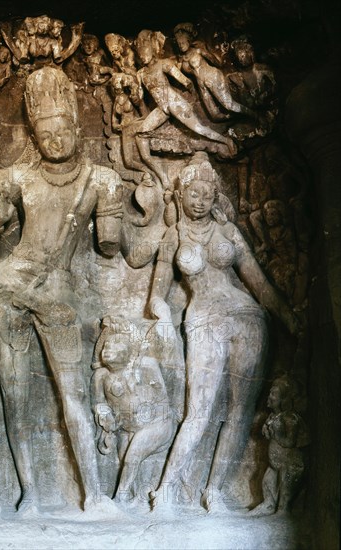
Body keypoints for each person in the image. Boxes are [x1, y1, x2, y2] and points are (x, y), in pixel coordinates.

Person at [0, 66, 123, 516]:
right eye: (45, 134)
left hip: (59, 299)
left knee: (73, 394)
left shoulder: (100, 180)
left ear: (77, 126)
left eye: (62, 130)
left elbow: (112, 246)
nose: (55, 140)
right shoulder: (16, 178)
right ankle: (30, 494)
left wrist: (135, 214)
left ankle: (94, 494)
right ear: (34, 135)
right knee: (17, 397)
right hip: (11, 290)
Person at [148, 151, 299, 513]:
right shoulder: (173, 235)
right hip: (202, 318)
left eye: (207, 195)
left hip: (247, 319)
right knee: (197, 412)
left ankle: (213, 492)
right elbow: (156, 294)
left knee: (239, 412)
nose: (200, 202)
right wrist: (164, 317)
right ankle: (165, 490)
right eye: (193, 194)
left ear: (216, 197)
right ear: (181, 195)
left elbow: (257, 283)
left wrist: (289, 318)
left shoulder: (228, 231)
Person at [134, 30, 237, 189]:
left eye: (145, 51)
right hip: (161, 108)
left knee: (199, 129)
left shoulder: (164, 64)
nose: (143, 56)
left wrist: (192, 93)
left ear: (153, 50)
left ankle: (226, 140)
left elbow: (184, 80)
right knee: (141, 134)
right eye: (140, 53)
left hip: (173, 102)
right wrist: (134, 94)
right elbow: (139, 96)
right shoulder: (140, 73)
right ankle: (161, 176)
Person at [92, 316, 175, 503]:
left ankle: (120, 498)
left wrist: (137, 381)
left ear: (130, 350)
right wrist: (104, 414)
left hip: (156, 423)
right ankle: (136, 496)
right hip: (126, 427)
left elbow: (162, 393)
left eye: (115, 347)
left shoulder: (145, 365)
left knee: (132, 455)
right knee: (124, 458)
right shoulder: (101, 375)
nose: (107, 351)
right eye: (105, 348)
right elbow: (98, 401)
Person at [249, 376, 309, 515]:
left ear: (284, 399)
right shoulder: (272, 417)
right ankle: (268, 504)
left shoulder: (290, 418)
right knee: (267, 482)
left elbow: (290, 442)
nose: (269, 397)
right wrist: (267, 432)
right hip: (275, 464)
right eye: (270, 393)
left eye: (273, 394)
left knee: (285, 488)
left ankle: (282, 510)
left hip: (289, 464)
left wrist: (275, 433)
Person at [174, 23, 257, 121]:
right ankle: (239, 118)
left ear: (188, 41)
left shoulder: (198, 51)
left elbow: (217, 62)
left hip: (212, 76)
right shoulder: (181, 59)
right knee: (214, 116)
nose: (181, 46)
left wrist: (206, 49)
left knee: (228, 105)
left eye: (183, 42)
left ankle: (254, 115)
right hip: (201, 84)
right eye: (178, 43)